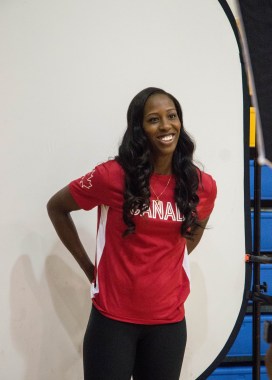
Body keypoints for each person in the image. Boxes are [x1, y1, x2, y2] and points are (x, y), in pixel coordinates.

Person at [47, 87, 217, 380]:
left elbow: (193, 232)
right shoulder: (111, 176)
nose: (166, 126)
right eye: (154, 119)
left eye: (172, 116)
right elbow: (57, 207)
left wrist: (165, 264)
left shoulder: (201, 185)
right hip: (112, 321)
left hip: (168, 323)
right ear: (139, 129)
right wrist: (92, 270)